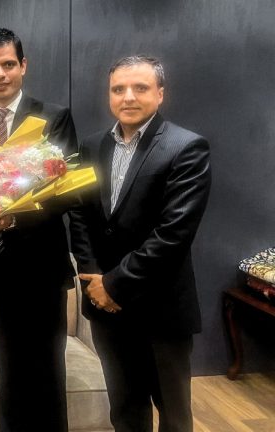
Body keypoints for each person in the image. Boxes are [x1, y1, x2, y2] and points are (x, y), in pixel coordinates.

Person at [69, 55, 211, 432]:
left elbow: (173, 234)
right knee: (125, 410)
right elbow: (80, 217)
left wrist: (114, 284)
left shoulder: (187, 148)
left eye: (140, 88)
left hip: (161, 309)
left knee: (174, 414)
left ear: (160, 94)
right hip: (106, 310)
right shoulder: (91, 146)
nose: (128, 96)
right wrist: (94, 280)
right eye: (118, 89)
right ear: (109, 95)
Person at [0, 28, 78, 432]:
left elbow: (65, 194)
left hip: (42, 267)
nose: (0, 74)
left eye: (8, 64)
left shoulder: (54, 117)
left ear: (24, 66)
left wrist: (7, 216)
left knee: (47, 372)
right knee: (7, 372)